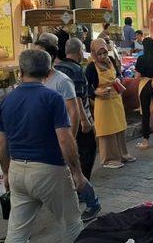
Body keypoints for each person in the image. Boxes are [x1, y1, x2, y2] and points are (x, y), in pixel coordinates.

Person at [0, 50, 87, 242]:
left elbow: (1, 143)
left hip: (17, 171)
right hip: (49, 170)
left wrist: (6, 173)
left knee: (17, 233)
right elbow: (65, 139)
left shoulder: (7, 100)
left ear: (20, 72)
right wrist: (77, 172)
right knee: (71, 224)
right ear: (48, 72)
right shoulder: (52, 98)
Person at [55, 38, 102, 222]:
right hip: (77, 122)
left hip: (61, 123)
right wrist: (84, 120)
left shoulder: (57, 69)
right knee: (85, 156)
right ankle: (85, 193)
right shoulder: (76, 70)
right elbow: (78, 99)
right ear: (80, 52)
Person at [86, 38, 135, 169]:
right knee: (107, 130)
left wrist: (118, 80)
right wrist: (97, 92)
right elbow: (87, 87)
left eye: (104, 53)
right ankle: (109, 159)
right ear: (94, 54)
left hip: (116, 99)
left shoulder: (111, 61)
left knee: (119, 126)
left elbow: (118, 74)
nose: (102, 56)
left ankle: (123, 154)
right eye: (99, 54)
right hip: (103, 103)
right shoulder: (91, 67)